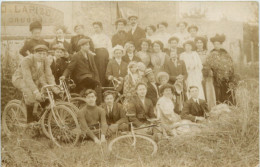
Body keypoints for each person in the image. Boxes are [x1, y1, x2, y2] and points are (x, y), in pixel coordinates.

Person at [12, 45, 60, 123]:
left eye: (44, 54)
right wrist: (35, 91)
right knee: (30, 95)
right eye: (39, 53)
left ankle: (42, 118)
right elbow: (27, 78)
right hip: (20, 79)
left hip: (34, 79)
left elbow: (49, 75)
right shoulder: (27, 60)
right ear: (34, 53)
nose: (42, 56)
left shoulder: (45, 60)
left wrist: (54, 87)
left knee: (45, 93)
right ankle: (30, 122)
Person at [60, 39, 101, 103]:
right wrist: (63, 76)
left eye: (89, 45)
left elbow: (94, 69)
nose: (89, 46)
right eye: (87, 45)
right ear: (82, 46)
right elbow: (69, 68)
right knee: (94, 84)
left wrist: (97, 79)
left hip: (90, 77)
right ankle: (94, 102)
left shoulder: (90, 55)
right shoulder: (76, 56)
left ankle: (90, 102)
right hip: (81, 78)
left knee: (97, 85)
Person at [195, 36, 216, 109]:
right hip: (197, 73)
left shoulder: (207, 52)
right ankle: (202, 108)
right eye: (197, 42)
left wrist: (207, 69)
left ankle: (211, 107)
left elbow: (211, 63)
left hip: (207, 72)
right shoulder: (194, 53)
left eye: (201, 42)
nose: (199, 44)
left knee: (208, 89)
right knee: (200, 89)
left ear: (203, 43)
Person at [91, 21, 112, 86]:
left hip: (104, 54)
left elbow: (109, 47)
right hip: (95, 55)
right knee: (96, 70)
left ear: (101, 28)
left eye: (97, 27)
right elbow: (91, 47)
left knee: (103, 70)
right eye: (94, 28)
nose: (96, 29)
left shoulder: (106, 37)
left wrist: (110, 57)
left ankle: (103, 85)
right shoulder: (92, 37)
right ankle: (98, 85)